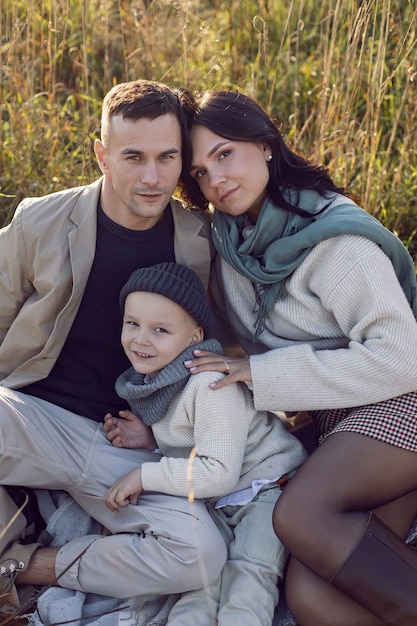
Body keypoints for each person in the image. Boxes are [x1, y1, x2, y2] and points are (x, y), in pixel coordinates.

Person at [178, 89, 417, 626]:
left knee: (300, 513)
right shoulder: (233, 245)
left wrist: (261, 373)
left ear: (264, 146)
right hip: (347, 425)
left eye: (225, 154)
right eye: (199, 171)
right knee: (310, 596)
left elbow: (404, 359)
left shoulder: (333, 239)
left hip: (403, 404)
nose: (214, 179)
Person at [0, 79, 226, 610]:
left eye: (167, 157)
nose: (152, 178)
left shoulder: (202, 240)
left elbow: (224, 351)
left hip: (122, 448)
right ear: (102, 155)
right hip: (30, 416)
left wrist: (165, 429)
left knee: (201, 553)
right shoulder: (41, 220)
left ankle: (28, 566)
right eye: (134, 157)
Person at [102, 261, 307, 625]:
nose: (141, 339)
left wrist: (145, 476)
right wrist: (150, 439)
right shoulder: (159, 382)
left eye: (160, 330)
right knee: (199, 585)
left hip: (266, 490)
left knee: (248, 578)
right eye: (132, 323)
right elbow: (193, 436)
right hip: (218, 500)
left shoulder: (208, 383)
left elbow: (218, 472)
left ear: (194, 338)